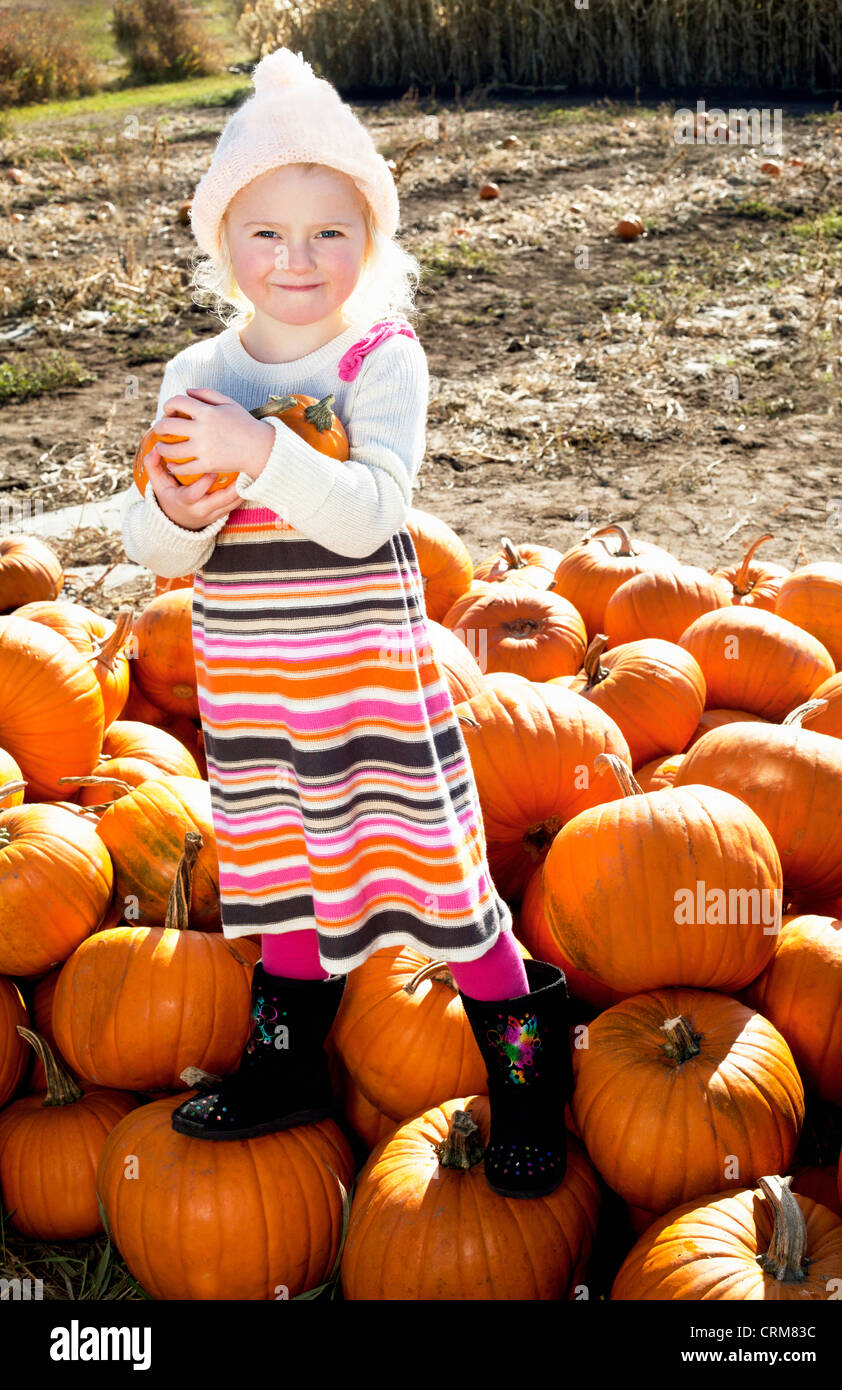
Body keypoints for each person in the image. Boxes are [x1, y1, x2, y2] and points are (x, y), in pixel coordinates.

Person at [119, 47, 572, 1198]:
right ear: (225, 243)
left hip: (368, 690)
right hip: (255, 696)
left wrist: (259, 450)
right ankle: (286, 1073)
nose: (298, 259)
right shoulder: (199, 369)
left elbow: (373, 510)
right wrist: (181, 501)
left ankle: (527, 1087)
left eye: (330, 231)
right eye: (266, 231)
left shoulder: (382, 356)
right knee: (282, 897)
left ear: (369, 239)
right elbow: (157, 550)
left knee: (451, 904)